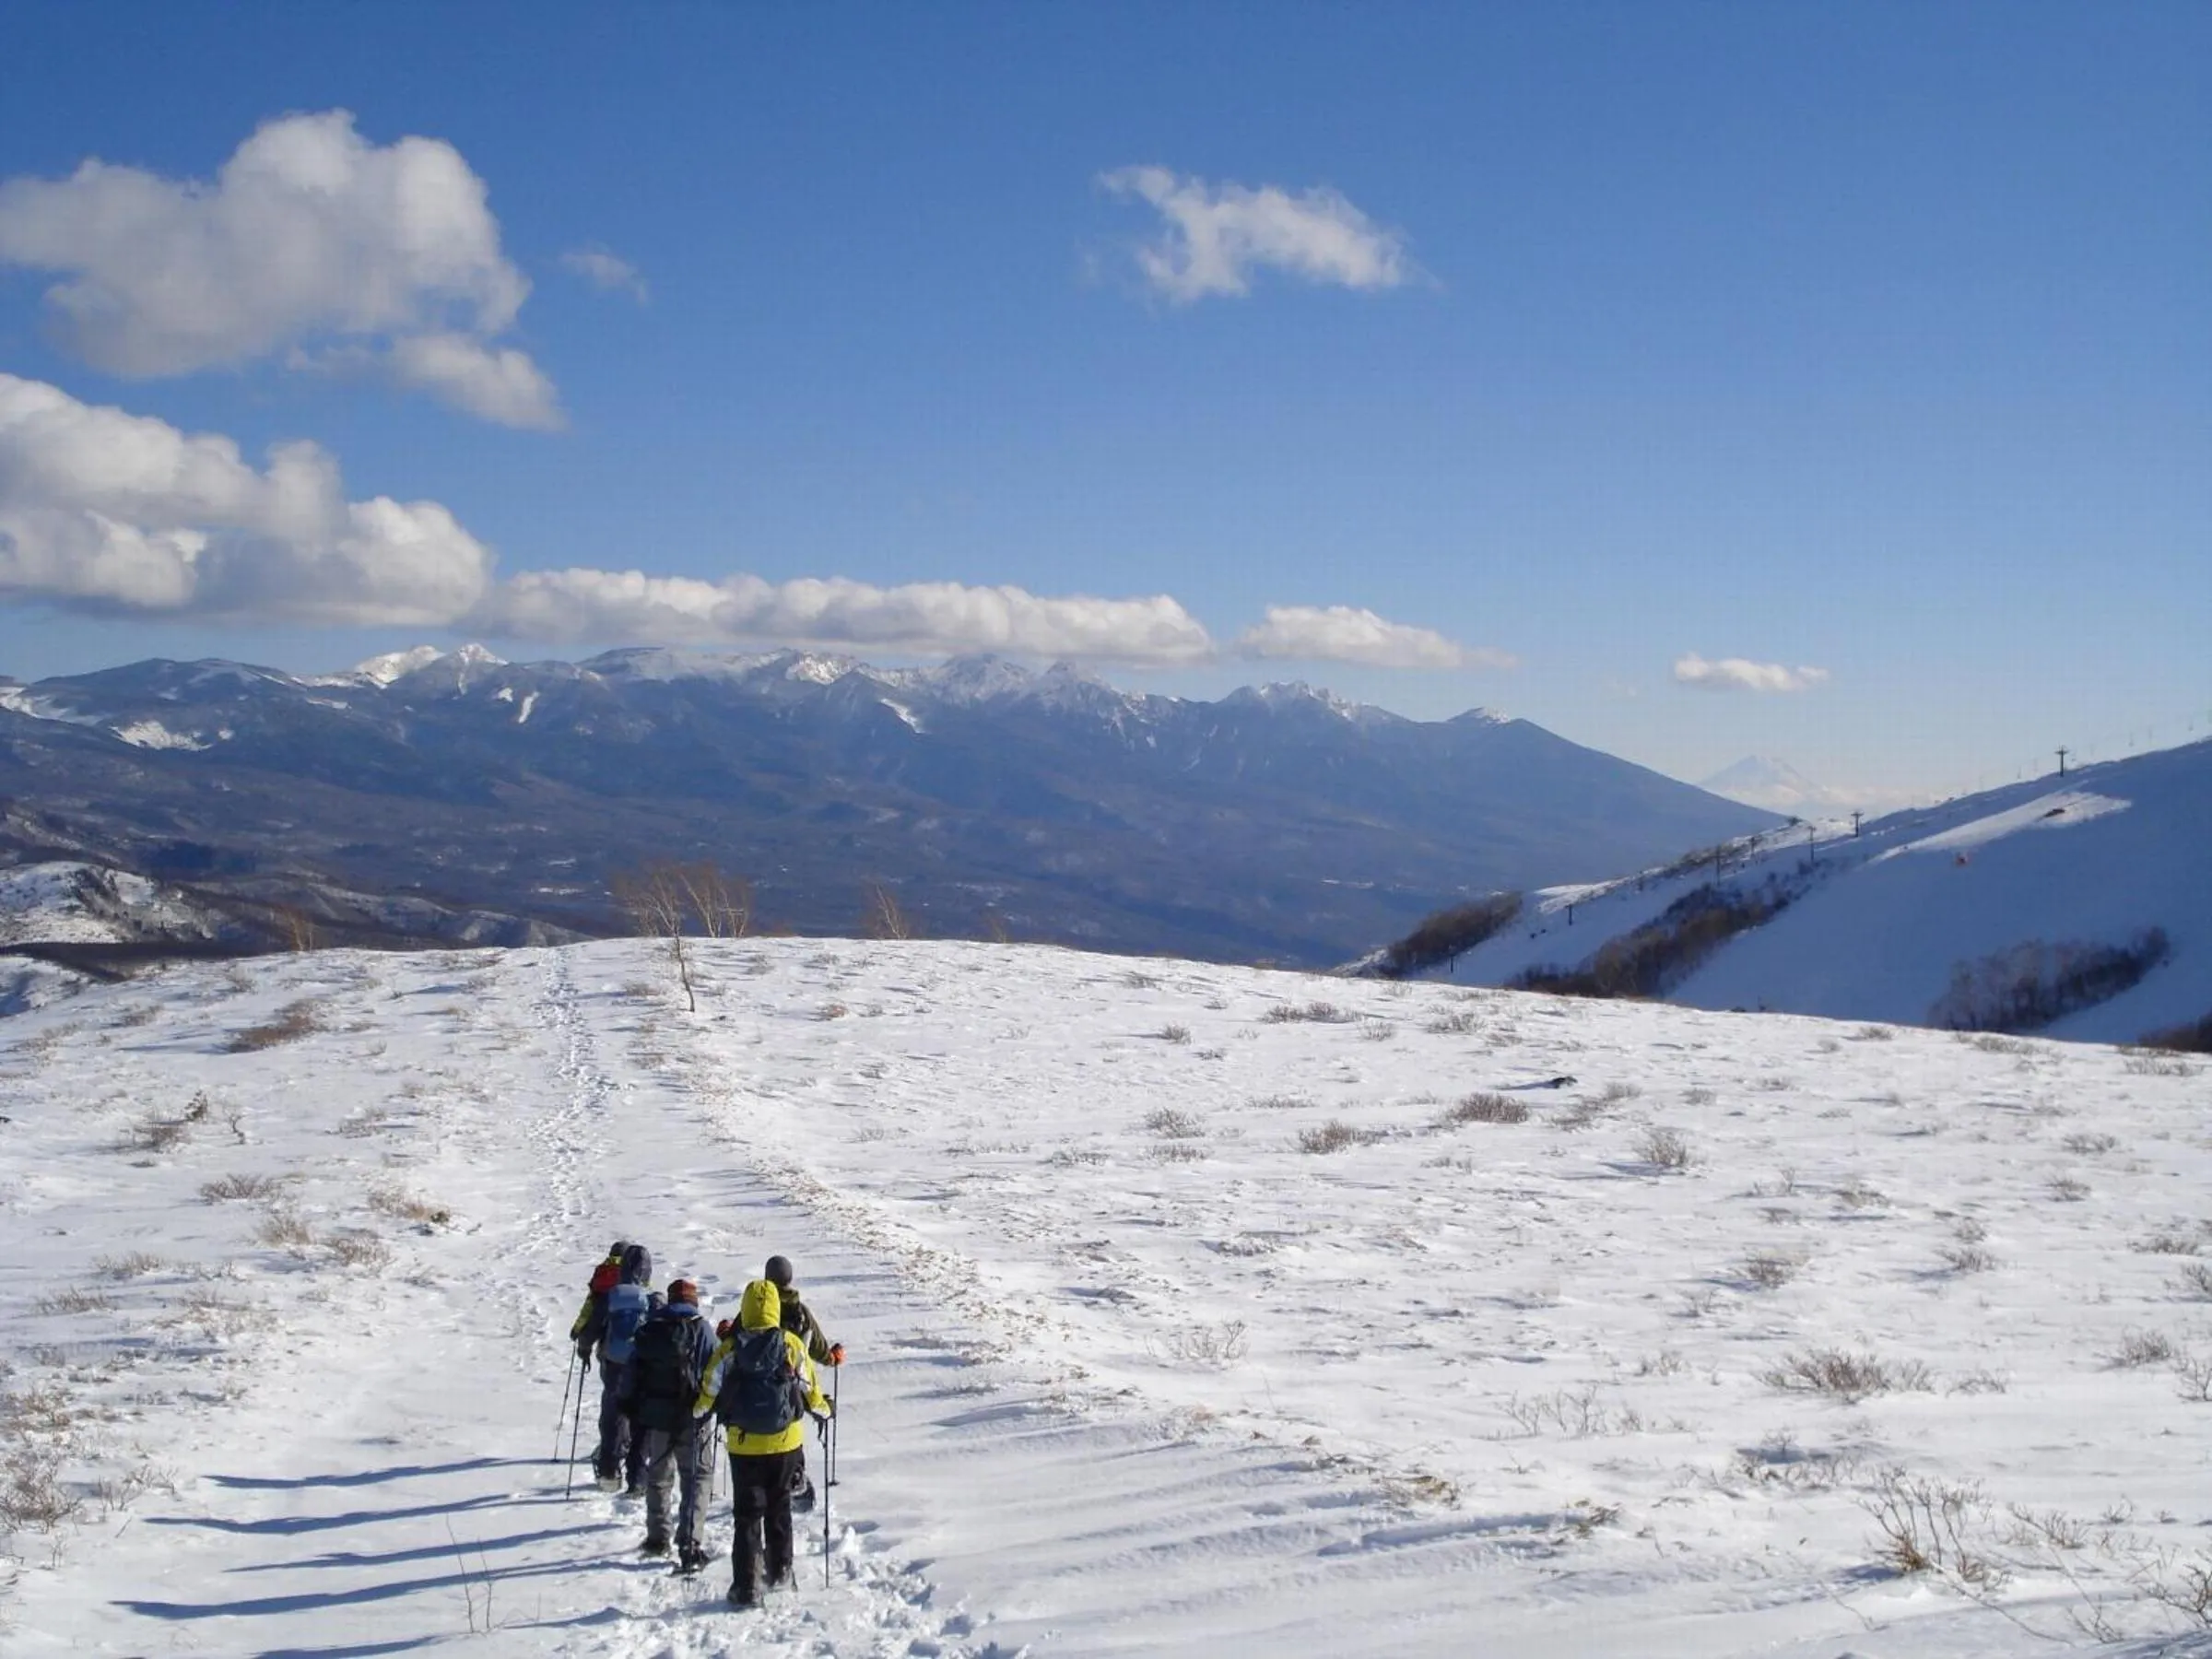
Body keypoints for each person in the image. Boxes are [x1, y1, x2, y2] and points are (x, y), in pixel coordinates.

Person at [694, 1277, 830, 1607]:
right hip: (785, 1442)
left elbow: (710, 1387)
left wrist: (699, 1411)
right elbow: (811, 1388)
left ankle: (746, 1586)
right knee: (779, 1508)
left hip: (744, 1445)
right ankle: (781, 1572)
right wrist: (825, 1410)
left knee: (747, 1514)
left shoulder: (730, 1348)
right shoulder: (790, 1344)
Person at [623, 1278, 719, 1573]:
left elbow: (633, 1370)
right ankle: (689, 1543)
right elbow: (716, 1369)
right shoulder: (701, 1329)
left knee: (659, 1476)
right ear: (693, 1301)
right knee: (696, 1478)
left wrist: (630, 1405)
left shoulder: (652, 1328)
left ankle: (657, 1537)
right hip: (693, 1415)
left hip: (658, 1416)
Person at [763, 1254, 844, 1512]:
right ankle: (795, 1482)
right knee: (790, 1434)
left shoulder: (756, 1308)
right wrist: (833, 1357)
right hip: (794, 1390)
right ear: (790, 1278)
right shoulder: (800, 1312)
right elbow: (820, 1350)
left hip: (757, 1389)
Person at [575, 1241, 654, 1492]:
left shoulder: (611, 1296)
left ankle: (609, 1473)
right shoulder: (651, 1299)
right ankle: (638, 1478)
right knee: (641, 1419)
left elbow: (593, 1327)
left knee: (613, 1415)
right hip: (642, 1366)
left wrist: (584, 1348)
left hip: (614, 1364)